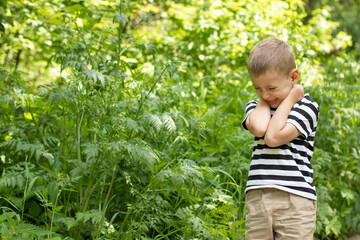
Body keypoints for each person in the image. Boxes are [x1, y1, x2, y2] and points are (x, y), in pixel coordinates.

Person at [242, 38, 319, 239]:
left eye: (272, 88)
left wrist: (292, 98)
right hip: (258, 196)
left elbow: (273, 137)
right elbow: (260, 128)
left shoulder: (306, 107)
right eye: (258, 88)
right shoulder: (256, 106)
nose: (265, 94)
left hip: (295, 199)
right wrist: (267, 98)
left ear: (293, 77)